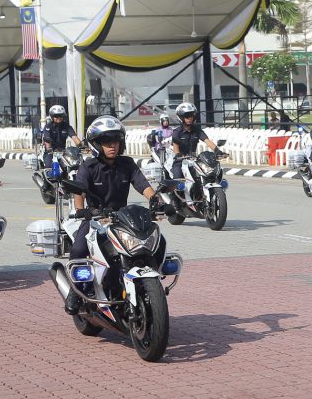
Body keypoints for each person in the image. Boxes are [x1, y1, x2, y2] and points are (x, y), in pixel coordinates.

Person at [63, 116, 171, 310]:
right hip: (95, 218)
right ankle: (75, 290)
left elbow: (143, 185)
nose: (112, 146)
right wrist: (82, 211)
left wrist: (157, 201)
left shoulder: (127, 164)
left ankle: (151, 279)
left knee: (158, 241)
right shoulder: (88, 167)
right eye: (106, 142)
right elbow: (78, 193)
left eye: (116, 141)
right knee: (79, 249)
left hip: (123, 218)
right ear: (96, 144)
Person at [170, 102, 218, 179]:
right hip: (180, 160)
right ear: (181, 118)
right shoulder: (177, 132)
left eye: (191, 116)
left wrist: (217, 150)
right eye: (187, 116)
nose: (189, 118)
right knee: (178, 177)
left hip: (194, 159)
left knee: (211, 174)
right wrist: (178, 155)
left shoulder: (197, 130)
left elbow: (207, 141)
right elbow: (176, 149)